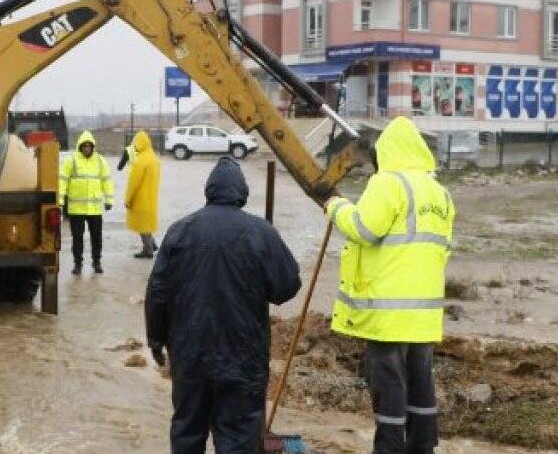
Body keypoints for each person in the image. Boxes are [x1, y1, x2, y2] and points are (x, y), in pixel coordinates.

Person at [145, 157, 302, 454]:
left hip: (190, 356)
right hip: (243, 358)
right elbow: (287, 286)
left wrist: (156, 339)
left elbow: (157, 292)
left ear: (209, 191)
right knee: (240, 438)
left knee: (187, 432)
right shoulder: (260, 232)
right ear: (241, 192)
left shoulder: (179, 231)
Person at [321, 116, 456, 454]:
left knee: (388, 382)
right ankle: (423, 445)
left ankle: (389, 447)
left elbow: (364, 228)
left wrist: (336, 206)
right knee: (421, 380)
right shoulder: (439, 193)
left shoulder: (388, 184)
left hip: (388, 312)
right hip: (423, 314)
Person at [57, 130, 113, 275]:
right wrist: (60, 200)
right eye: (84, 146)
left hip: (94, 209)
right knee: (77, 238)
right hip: (76, 209)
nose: (87, 148)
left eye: (89, 146)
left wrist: (109, 200)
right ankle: (77, 264)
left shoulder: (100, 161)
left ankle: (97, 262)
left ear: (93, 147)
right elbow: (62, 180)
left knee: (96, 238)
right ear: (80, 147)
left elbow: (107, 181)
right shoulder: (71, 160)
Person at [123, 130, 161, 258]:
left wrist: (128, 199)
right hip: (151, 198)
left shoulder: (140, 160)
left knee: (142, 225)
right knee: (146, 223)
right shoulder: (154, 158)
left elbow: (133, 183)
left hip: (140, 199)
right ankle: (153, 244)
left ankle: (148, 249)